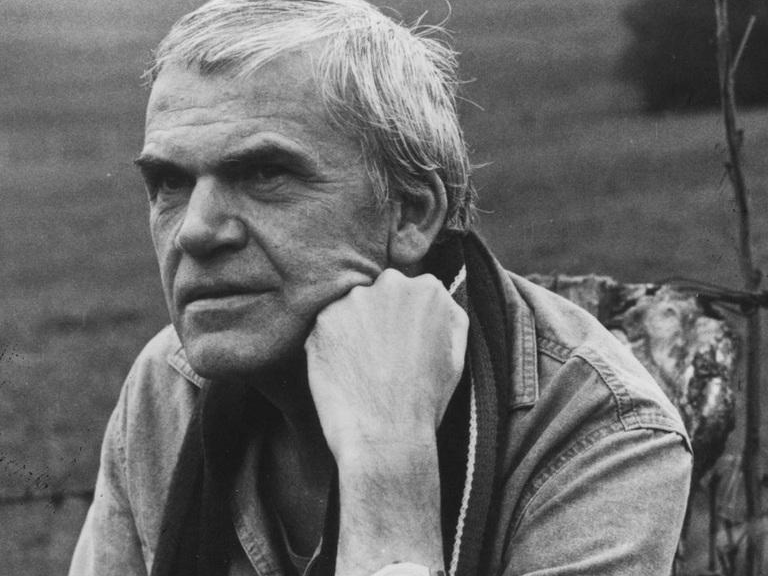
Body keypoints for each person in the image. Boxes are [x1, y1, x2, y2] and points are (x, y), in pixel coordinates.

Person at [69, 1, 692, 575]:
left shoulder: (595, 432)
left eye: (264, 173)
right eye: (170, 184)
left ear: (410, 214)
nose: (196, 231)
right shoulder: (166, 388)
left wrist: (388, 461)